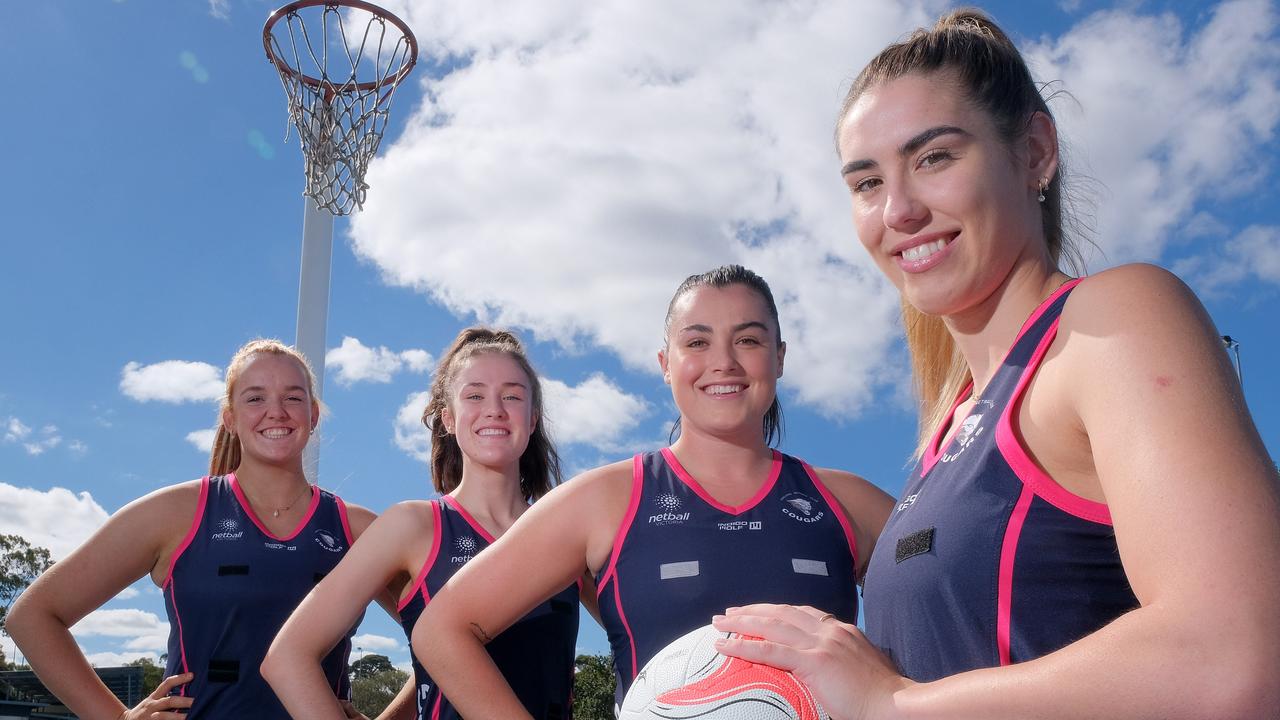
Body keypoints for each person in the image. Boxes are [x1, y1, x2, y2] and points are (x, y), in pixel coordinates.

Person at [712, 10, 1280, 719]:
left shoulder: (1112, 321)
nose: (897, 210)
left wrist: (892, 703)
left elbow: (1237, 658)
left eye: (935, 158)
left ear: (1036, 151)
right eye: (865, 183)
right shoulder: (947, 431)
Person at [412, 265, 895, 717]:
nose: (723, 362)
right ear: (666, 363)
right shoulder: (606, 499)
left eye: (747, 339)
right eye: (697, 342)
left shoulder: (848, 503)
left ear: (779, 357)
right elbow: (441, 630)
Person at [7, 339, 406, 719]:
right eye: (255, 398)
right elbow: (33, 616)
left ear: (313, 415)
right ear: (229, 417)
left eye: (293, 397)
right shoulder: (174, 514)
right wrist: (116, 717)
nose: (276, 411)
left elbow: (442, 632)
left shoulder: (359, 529)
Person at [263, 327, 582, 720]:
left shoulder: (565, 531)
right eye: (475, 395)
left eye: (512, 396)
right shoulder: (413, 526)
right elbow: (288, 656)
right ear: (448, 417)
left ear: (532, 419)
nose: (495, 409)